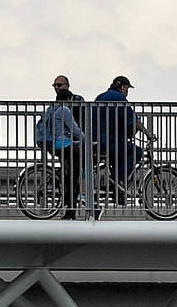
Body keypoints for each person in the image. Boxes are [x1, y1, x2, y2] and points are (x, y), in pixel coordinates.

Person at [93, 75, 153, 200]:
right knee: (136, 151)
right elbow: (133, 119)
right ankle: (119, 180)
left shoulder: (100, 97)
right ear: (122, 87)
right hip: (110, 140)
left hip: (97, 140)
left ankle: (117, 191)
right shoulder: (119, 98)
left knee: (121, 156)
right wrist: (148, 134)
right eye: (127, 89)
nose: (127, 93)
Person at [40, 79, 89, 219]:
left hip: (57, 146)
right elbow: (75, 130)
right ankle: (73, 205)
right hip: (66, 146)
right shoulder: (65, 110)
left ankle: (71, 206)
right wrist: (87, 140)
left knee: (69, 176)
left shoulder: (53, 109)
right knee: (74, 177)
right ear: (67, 99)